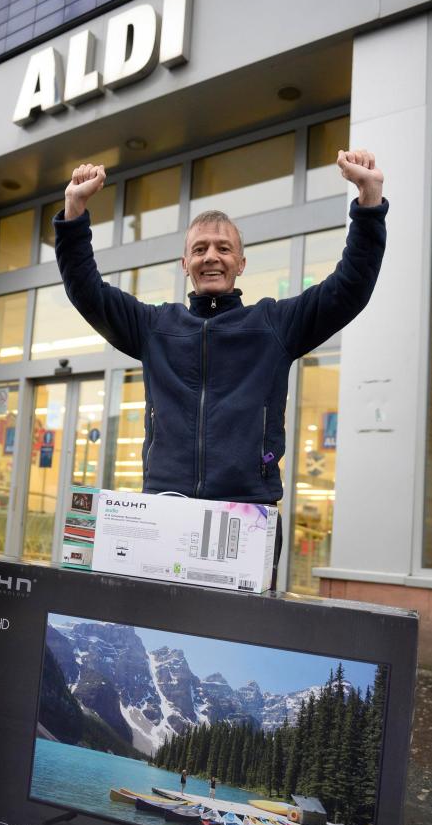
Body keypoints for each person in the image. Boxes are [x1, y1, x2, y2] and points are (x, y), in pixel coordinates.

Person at [54, 152, 387, 587]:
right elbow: (86, 290)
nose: (212, 256)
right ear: (185, 264)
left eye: (223, 248)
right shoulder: (155, 328)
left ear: (241, 264)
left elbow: (350, 287)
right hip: (165, 513)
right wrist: (75, 211)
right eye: (200, 249)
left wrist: (369, 201)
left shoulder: (273, 326)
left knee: (237, 642)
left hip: (247, 516)